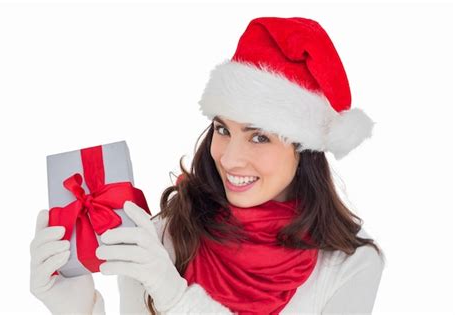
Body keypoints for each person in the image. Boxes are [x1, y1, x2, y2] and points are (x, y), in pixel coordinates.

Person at [30, 16, 386, 314]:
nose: (229, 158)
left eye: (259, 136)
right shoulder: (163, 238)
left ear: (304, 150)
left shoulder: (350, 266)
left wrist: (177, 299)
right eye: (222, 129)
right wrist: (77, 309)